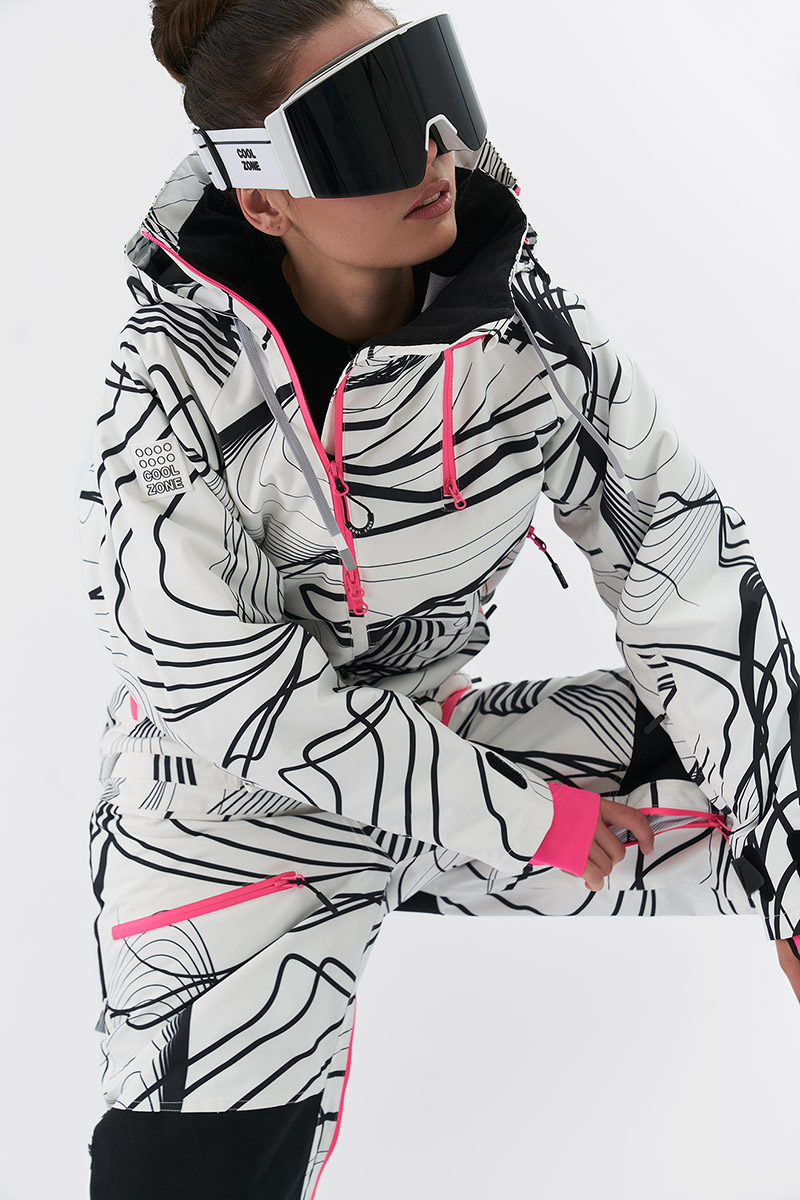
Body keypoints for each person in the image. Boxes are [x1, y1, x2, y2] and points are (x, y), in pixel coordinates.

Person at [78, 1, 800, 1197]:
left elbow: (683, 579)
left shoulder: (525, 333)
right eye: (360, 124)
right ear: (263, 198)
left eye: (426, 91)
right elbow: (233, 702)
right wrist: (528, 822)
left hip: (439, 749)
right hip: (223, 818)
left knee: (773, 757)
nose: (427, 150)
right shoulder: (166, 386)